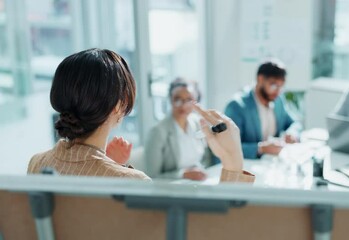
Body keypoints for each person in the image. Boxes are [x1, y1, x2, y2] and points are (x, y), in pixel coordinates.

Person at [27, 48, 254, 183]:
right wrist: (233, 160)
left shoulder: (37, 163)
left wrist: (112, 165)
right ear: (119, 106)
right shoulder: (130, 182)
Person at [225, 59, 301, 159]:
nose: (278, 91)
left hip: (271, 164)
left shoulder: (278, 100)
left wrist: (292, 133)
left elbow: (294, 123)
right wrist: (260, 148)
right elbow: (227, 148)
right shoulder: (237, 106)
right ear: (260, 79)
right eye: (273, 85)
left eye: (281, 86)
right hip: (246, 167)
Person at [144, 78, 211, 180]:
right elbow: (151, 177)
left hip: (198, 184)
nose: (183, 105)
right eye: (177, 99)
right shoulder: (157, 132)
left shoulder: (197, 123)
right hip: (173, 190)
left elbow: (206, 160)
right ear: (170, 100)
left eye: (188, 100)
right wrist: (183, 174)